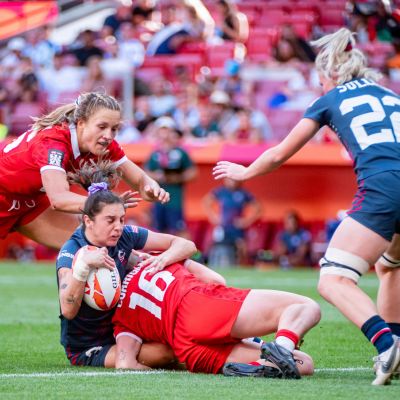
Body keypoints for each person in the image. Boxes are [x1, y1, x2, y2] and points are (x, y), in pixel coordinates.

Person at [213, 27, 400, 385]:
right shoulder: (392, 96)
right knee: (391, 266)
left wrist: (246, 170)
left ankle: (387, 344)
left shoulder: (329, 99)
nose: (319, 86)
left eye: (320, 80)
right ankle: (399, 345)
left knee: (333, 278)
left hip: (382, 186)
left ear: (330, 73)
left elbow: (281, 152)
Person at [56, 159, 224, 368]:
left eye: (122, 219)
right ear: (88, 221)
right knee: (169, 351)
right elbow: (68, 310)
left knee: (186, 334)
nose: (118, 227)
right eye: (110, 220)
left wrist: (161, 259)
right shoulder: (72, 251)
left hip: (128, 329)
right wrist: (83, 268)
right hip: (90, 345)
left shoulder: (124, 236)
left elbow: (186, 245)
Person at [0, 91, 169, 249]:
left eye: (114, 129)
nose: (109, 135)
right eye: (102, 126)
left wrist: (151, 188)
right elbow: (59, 199)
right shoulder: (54, 142)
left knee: (99, 245)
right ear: (81, 123)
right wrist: (108, 205)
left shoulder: (103, 143)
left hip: (28, 203)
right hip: (6, 197)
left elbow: (140, 180)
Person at [112, 251, 320, 378]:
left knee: (303, 364)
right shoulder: (156, 258)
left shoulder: (119, 318)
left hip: (185, 347)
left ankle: (263, 364)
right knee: (306, 306)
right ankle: (282, 348)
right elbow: (217, 280)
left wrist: (169, 367)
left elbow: (125, 364)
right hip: (197, 306)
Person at [145, 116, 197, 236]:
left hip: (174, 199)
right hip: (158, 200)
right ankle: (165, 254)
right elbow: (145, 172)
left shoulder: (180, 153)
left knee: (179, 229)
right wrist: (156, 176)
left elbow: (193, 172)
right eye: (162, 130)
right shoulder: (155, 154)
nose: (164, 134)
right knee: (159, 231)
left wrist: (178, 178)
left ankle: (191, 254)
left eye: (167, 130)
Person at [203, 178, 261, 265]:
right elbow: (206, 202)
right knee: (214, 245)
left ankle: (243, 268)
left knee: (241, 247)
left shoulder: (243, 193)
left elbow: (258, 207)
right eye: (230, 179)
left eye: (234, 179)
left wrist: (246, 221)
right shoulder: (221, 191)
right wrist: (213, 217)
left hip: (237, 227)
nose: (232, 182)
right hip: (223, 226)